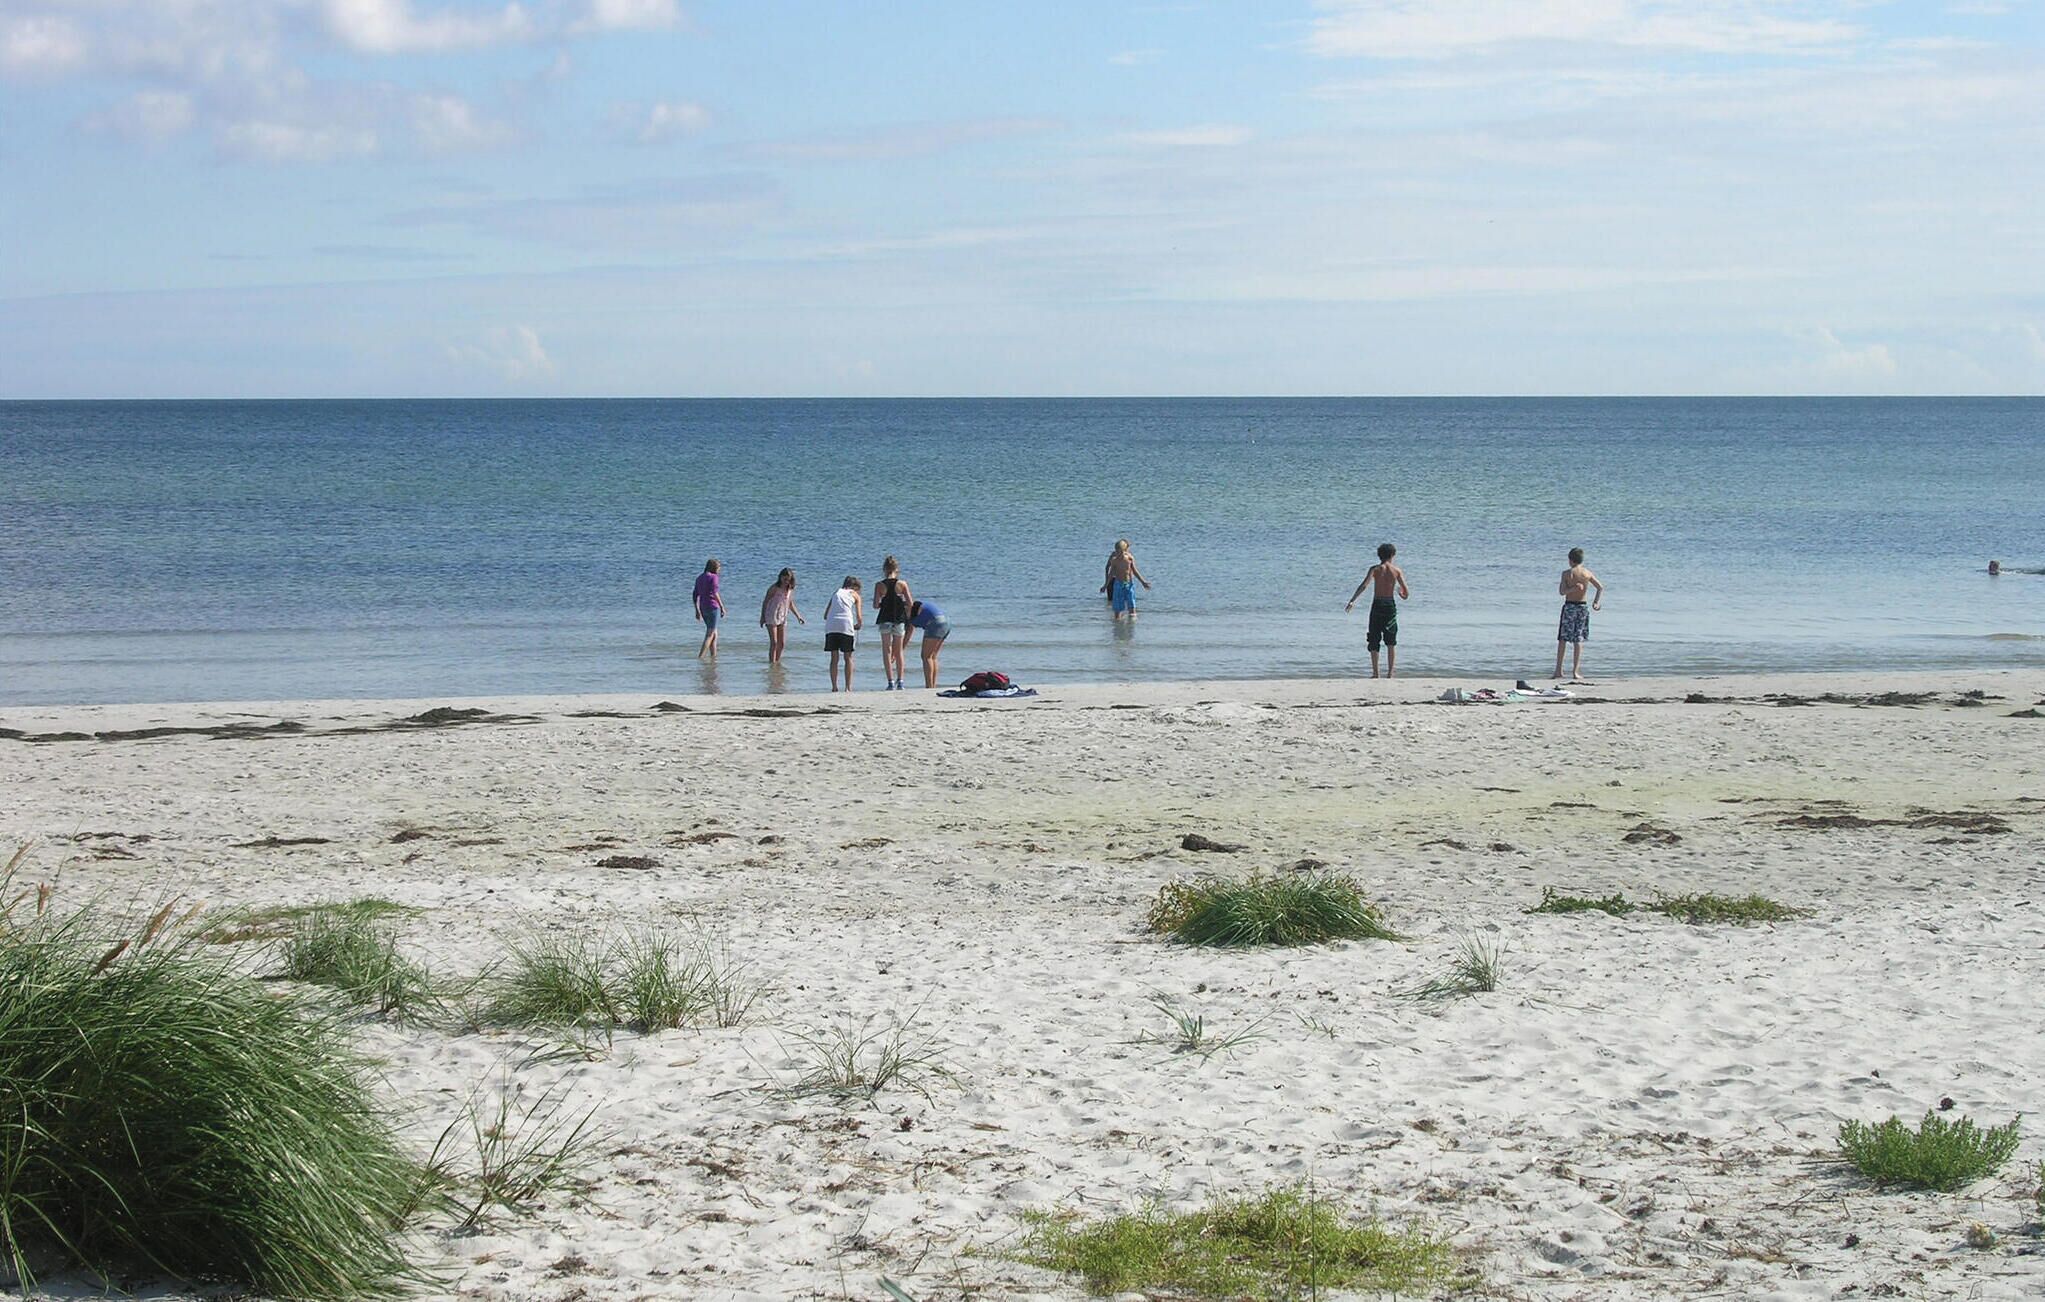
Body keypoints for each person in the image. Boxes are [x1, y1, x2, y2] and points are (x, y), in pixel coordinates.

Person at [1344, 542, 1409, 678]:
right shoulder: (1396, 571)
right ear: (1392, 555)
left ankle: (1375, 673)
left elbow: (1364, 585)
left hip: (1377, 605)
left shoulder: (1375, 569)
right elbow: (1406, 594)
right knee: (1391, 640)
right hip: (1389, 605)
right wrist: (1400, 593)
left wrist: (1352, 600)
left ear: (1379, 555)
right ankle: (1390, 673)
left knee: (1374, 638)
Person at [1554, 546, 1604, 683]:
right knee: (1578, 639)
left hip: (1570, 607)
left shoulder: (1567, 574)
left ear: (1570, 560)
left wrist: (1572, 588)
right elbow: (1600, 587)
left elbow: (1562, 592)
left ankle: (1559, 670)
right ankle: (1575, 671)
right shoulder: (1587, 573)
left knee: (1563, 639)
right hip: (1582, 607)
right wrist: (1596, 603)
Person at [873, 556, 913, 691]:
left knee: (886, 650)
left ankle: (890, 681)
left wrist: (884, 602)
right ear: (897, 569)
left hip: (885, 618)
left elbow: (875, 605)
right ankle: (900, 681)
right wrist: (899, 602)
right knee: (899, 650)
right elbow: (910, 603)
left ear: (884, 569)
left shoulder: (879, 585)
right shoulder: (902, 584)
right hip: (898, 619)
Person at [823, 576, 863, 691]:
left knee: (834, 658)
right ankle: (848, 687)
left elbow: (826, 615)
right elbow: (859, 618)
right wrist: (857, 625)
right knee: (848, 657)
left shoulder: (836, 592)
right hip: (845, 625)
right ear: (855, 587)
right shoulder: (855, 595)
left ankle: (834, 687)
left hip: (831, 625)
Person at [759, 568, 805, 665]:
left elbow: (790, 603)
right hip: (771, 615)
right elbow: (765, 601)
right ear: (780, 578)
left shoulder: (790, 589)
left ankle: (777, 662)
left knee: (782, 643)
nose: (785, 581)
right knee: (774, 642)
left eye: (788, 579)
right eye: (784, 579)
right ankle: (772, 663)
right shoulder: (774, 588)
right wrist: (762, 617)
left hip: (783, 616)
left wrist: (798, 616)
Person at [1101, 539, 1150, 618]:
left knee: (1131, 605)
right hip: (1118, 585)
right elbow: (1111, 574)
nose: (1117, 553)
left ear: (1125, 551)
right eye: (1116, 551)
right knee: (1117, 608)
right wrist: (1105, 585)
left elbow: (1135, 571)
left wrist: (1143, 582)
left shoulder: (1129, 559)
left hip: (1128, 584)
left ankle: (1132, 624)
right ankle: (1117, 625)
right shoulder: (1114, 561)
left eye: (1119, 552)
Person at [907, 598, 950, 689]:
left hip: (934, 623)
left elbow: (909, 632)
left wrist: (901, 648)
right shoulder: (917, 606)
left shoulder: (908, 610)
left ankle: (929, 686)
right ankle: (932, 685)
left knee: (926, 656)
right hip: (945, 622)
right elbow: (910, 630)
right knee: (932, 657)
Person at [691, 558, 724, 660]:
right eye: (719, 568)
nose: (719, 570)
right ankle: (701, 656)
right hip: (713, 606)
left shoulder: (699, 578)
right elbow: (715, 593)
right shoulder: (713, 577)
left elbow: (695, 595)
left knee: (714, 633)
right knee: (710, 633)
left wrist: (697, 610)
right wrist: (722, 606)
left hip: (703, 607)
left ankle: (713, 657)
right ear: (714, 568)